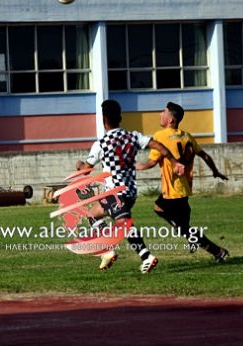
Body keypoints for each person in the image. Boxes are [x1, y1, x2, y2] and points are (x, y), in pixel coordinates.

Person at [75, 99, 185, 274]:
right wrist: (174, 161)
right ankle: (111, 251)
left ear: (104, 119)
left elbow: (85, 171)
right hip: (131, 192)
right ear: (120, 117)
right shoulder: (132, 137)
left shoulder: (101, 144)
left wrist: (79, 164)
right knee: (94, 215)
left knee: (123, 223)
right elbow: (158, 146)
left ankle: (145, 256)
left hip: (115, 193)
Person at [136, 102, 230, 263]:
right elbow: (205, 155)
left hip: (173, 189)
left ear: (170, 120)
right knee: (178, 223)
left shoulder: (160, 136)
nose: (160, 114)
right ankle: (209, 247)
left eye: (163, 112)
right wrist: (215, 172)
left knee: (174, 221)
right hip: (184, 187)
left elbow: (151, 163)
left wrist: (134, 166)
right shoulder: (186, 136)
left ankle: (218, 251)